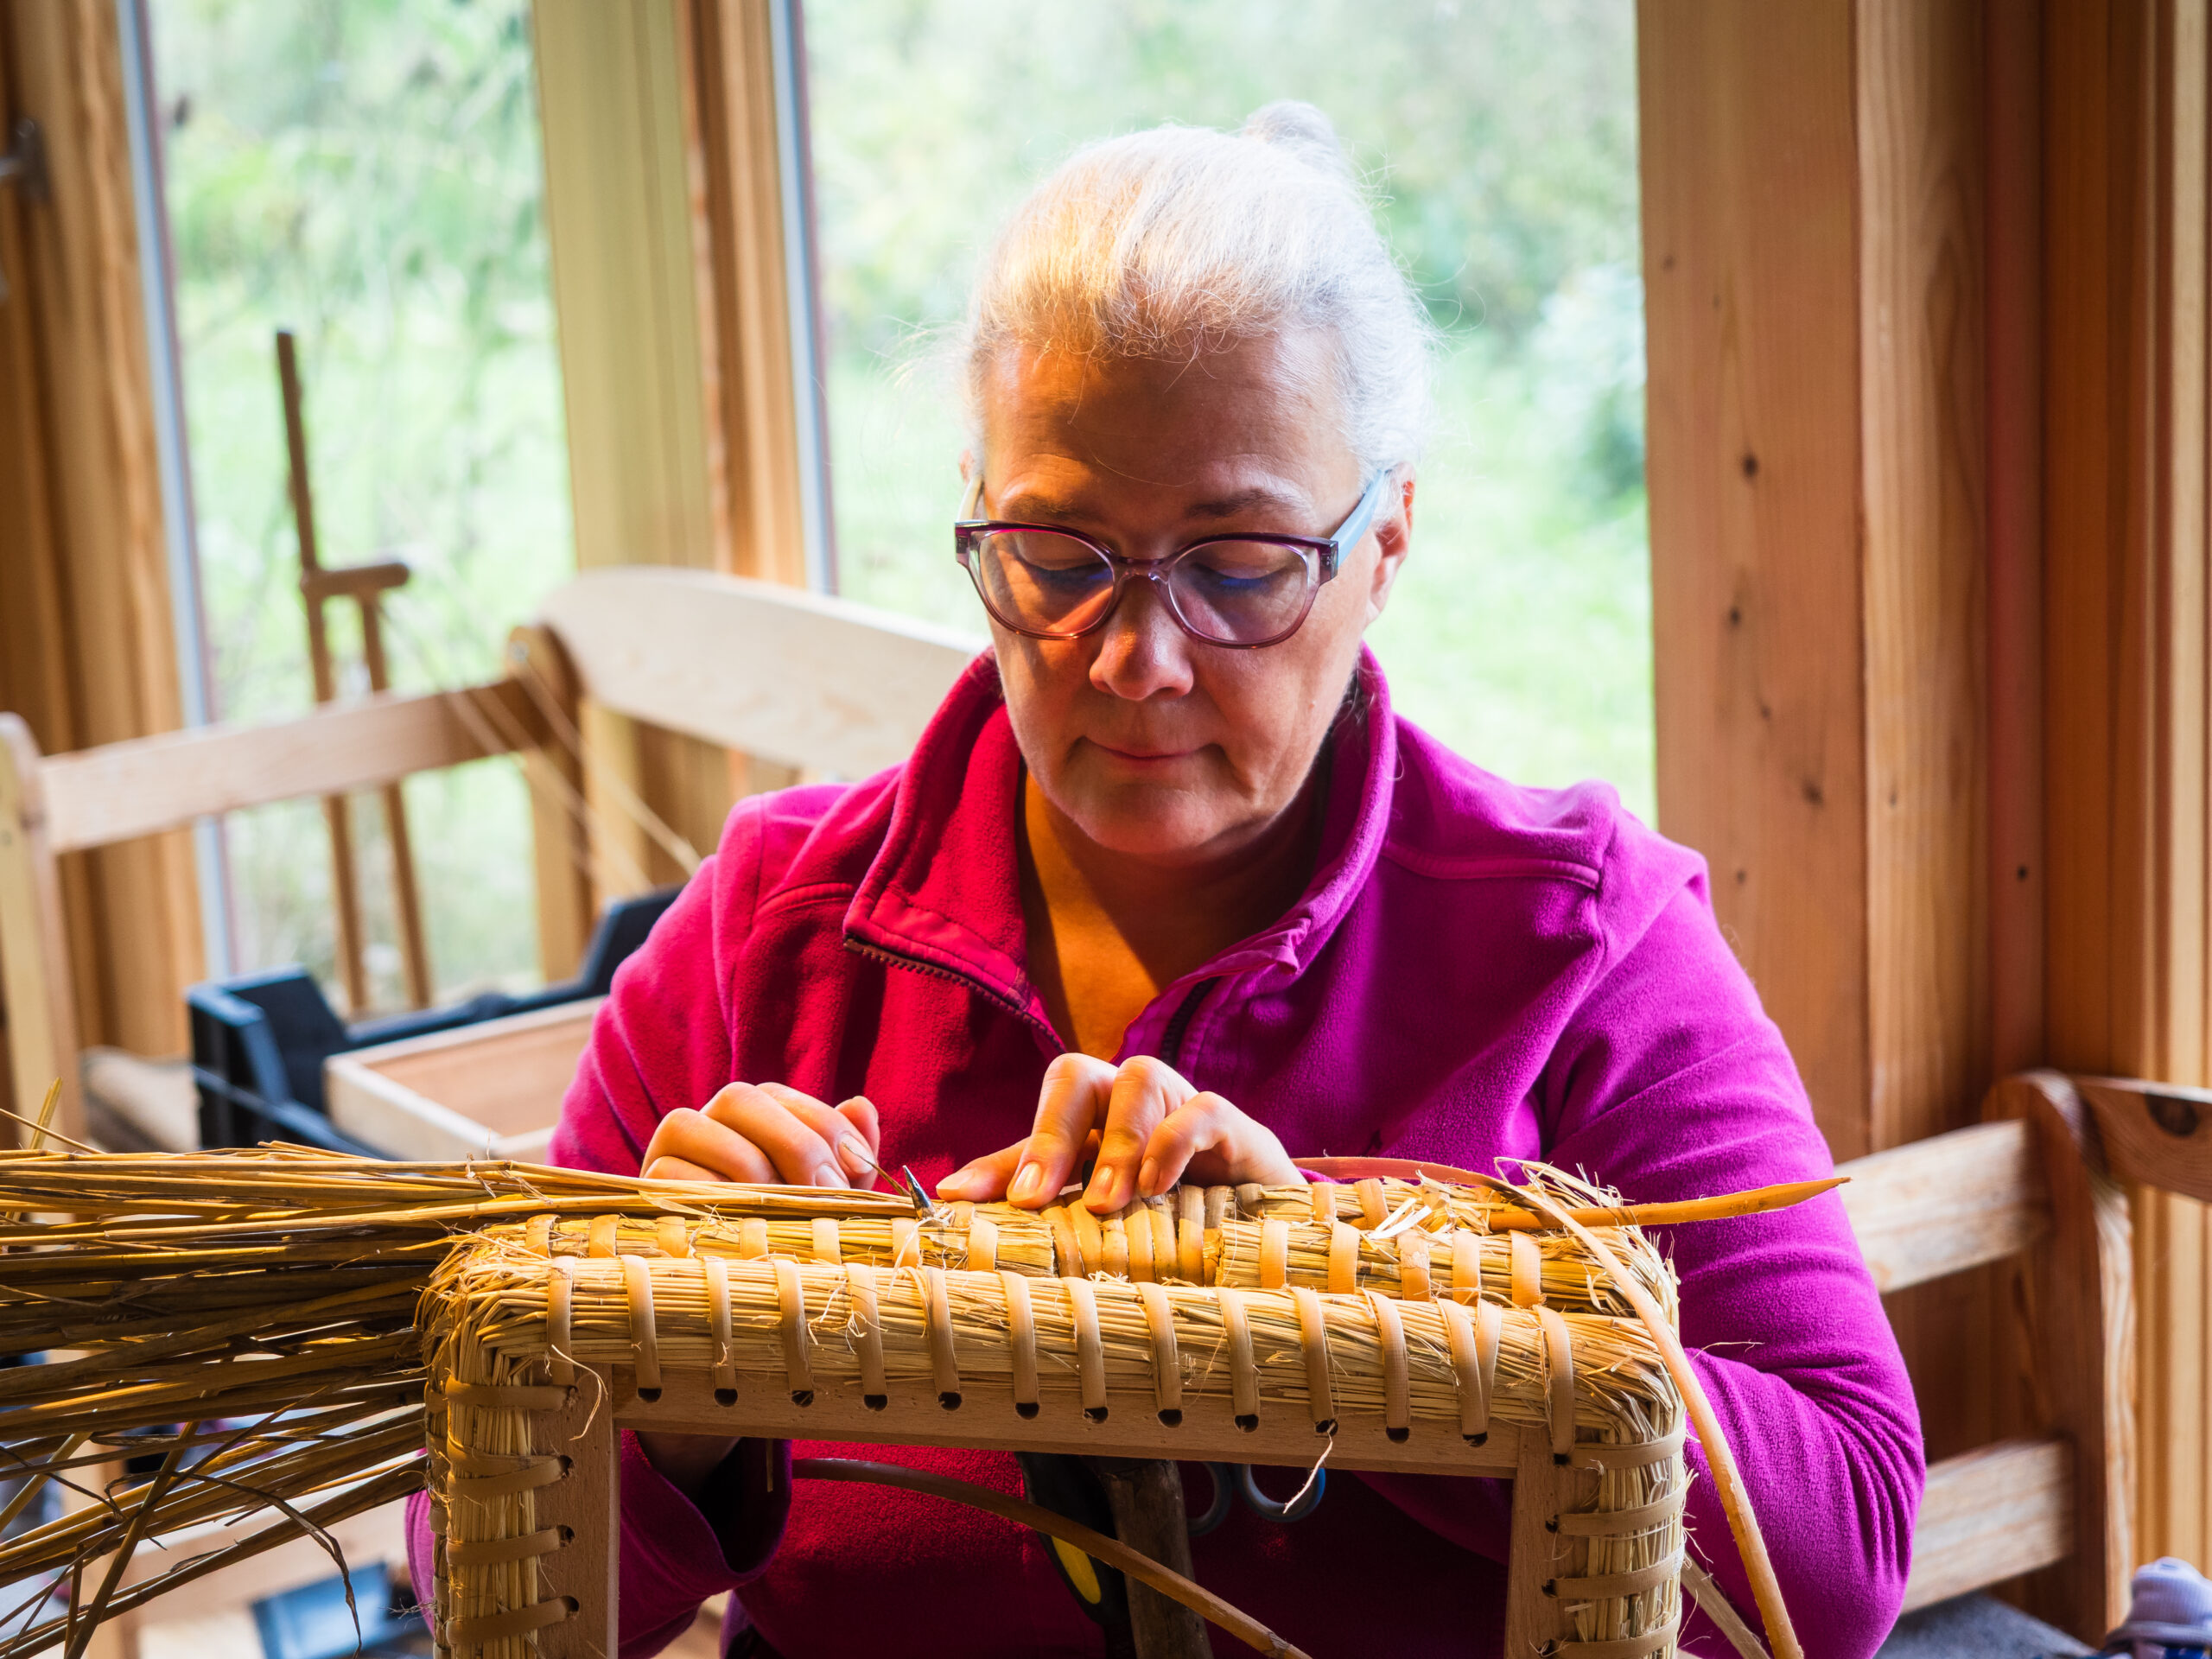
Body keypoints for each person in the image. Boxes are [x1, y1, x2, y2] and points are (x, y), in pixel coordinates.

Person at [410, 102, 1920, 1657]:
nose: (1138, 660)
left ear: (1388, 540)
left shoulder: (1578, 939)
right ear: (976, 513)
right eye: (1058, 557)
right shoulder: (768, 929)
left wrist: (1349, 1293)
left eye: (1240, 564)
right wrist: (659, 1383)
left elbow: (1844, 1555)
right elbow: (464, 1576)